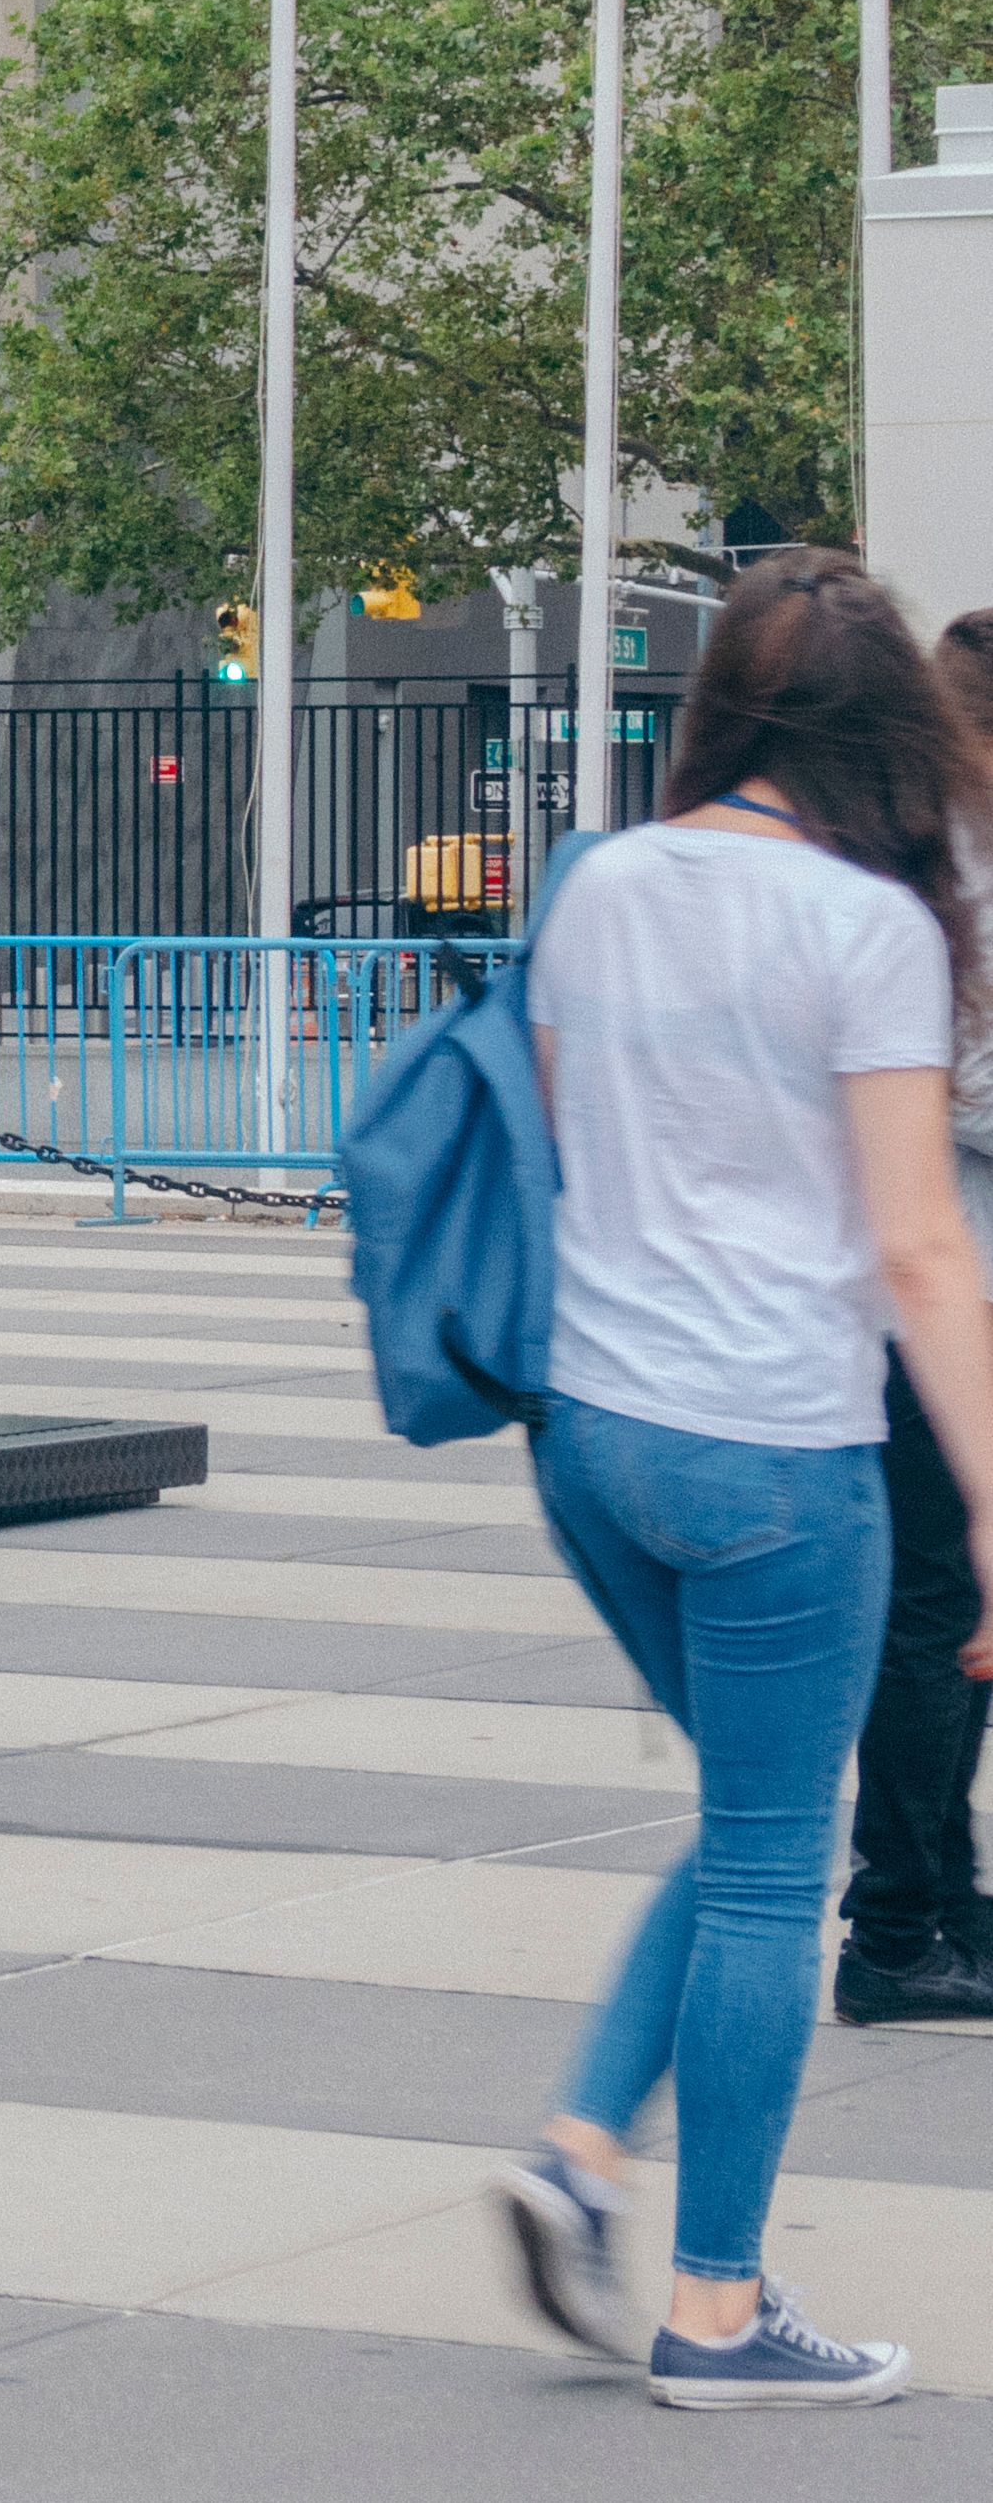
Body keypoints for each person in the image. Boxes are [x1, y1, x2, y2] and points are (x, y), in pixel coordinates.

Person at [493, 554, 993, 2406]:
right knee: (780, 1861)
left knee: (739, 1818)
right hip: (777, 1448)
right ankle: (713, 2305)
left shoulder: (599, 879)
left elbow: (555, 1139)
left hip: (590, 1431)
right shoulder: (865, 926)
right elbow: (922, 1254)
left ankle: (575, 2156)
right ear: (885, 732)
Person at [829, 607, 993, 2026]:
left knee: (949, 1608)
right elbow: (952, 1080)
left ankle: (943, 1894)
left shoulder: (900, 842)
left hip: (925, 1277)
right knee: (939, 1606)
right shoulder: (941, 863)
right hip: (944, 1282)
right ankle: (896, 1921)